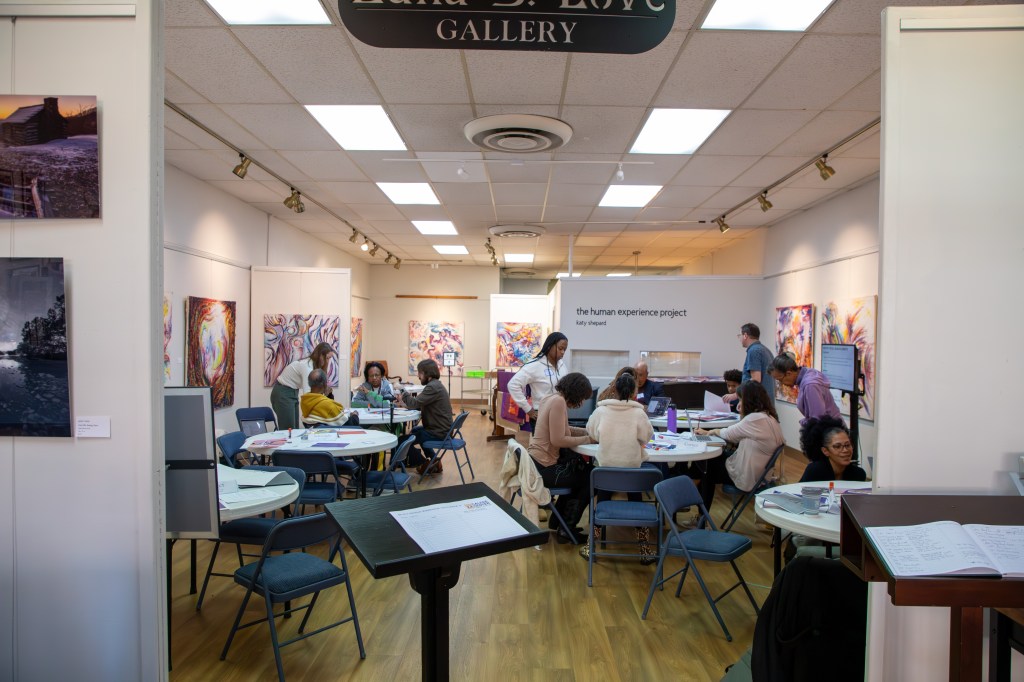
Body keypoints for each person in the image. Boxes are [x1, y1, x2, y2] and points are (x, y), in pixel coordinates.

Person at [584, 371, 657, 563]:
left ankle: (590, 546)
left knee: (602, 501)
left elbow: (591, 432)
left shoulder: (601, 411)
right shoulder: (639, 413)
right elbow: (647, 437)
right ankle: (644, 549)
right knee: (636, 501)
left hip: (605, 471)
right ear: (634, 393)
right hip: (632, 473)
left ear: (614, 390)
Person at [692, 380, 784, 511]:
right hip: (761, 472)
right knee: (711, 461)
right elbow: (736, 434)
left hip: (749, 476)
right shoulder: (769, 417)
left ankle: (701, 514)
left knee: (708, 466)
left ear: (748, 401)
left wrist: (708, 432)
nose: (739, 404)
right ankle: (700, 508)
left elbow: (729, 434)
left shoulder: (754, 419)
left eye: (740, 399)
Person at [527, 372, 595, 543]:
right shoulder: (558, 402)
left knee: (583, 473)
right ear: (577, 393)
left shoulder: (550, 398)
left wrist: (587, 432)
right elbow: (558, 440)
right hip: (544, 468)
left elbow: (564, 430)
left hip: (535, 464)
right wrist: (589, 439)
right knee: (591, 477)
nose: (581, 403)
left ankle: (559, 522)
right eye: (582, 398)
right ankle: (566, 529)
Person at [397, 359, 453, 474]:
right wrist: (405, 404)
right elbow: (419, 404)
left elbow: (414, 403)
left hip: (439, 432)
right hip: (442, 429)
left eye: (420, 373)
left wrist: (401, 389)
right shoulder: (436, 385)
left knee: (402, 441)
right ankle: (434, 460)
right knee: (416, 430)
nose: (418, 376)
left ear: (427, 373)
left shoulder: (432, 387)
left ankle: (424, 464)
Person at [507, 331, 569, 425]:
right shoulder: (534, 365)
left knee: (560, 435)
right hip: (541, 415)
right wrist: (528, 410)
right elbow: (513, 385)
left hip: (560, 413)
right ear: (549, 346)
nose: (563, 352)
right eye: (560, 348)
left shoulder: (562, 365)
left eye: (565, 349)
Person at [270, 341, 335, 429]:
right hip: (283, 393)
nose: (328, 361)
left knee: (295, 429)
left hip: (292, 392)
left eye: (330, 358)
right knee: (288, 429)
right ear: (320, 356)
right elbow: (308, 395)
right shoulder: (307, 367)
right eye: (327, 358)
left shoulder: (313, 366)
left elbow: (313, 393)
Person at [770, 353, 843, 426]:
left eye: (780, 380)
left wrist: (803, 422)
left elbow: (817, 419)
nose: (781, 383)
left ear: (789, 373)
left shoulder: (810, 385)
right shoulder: (807, 373)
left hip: (831, 430)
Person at [799, 416, 866, 482]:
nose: (845, 450)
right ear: (825, 451)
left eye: (847, 445)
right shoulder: (814, 471)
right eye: (837, 446)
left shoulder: (858, 474)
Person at [723, 323, 776, 407]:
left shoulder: (754, 351)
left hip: (757, 403)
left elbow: (755, 380)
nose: (739, 339)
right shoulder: (765, 350)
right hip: (766, 402)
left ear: (745, 335)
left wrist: (736, 395)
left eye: (739, 335)